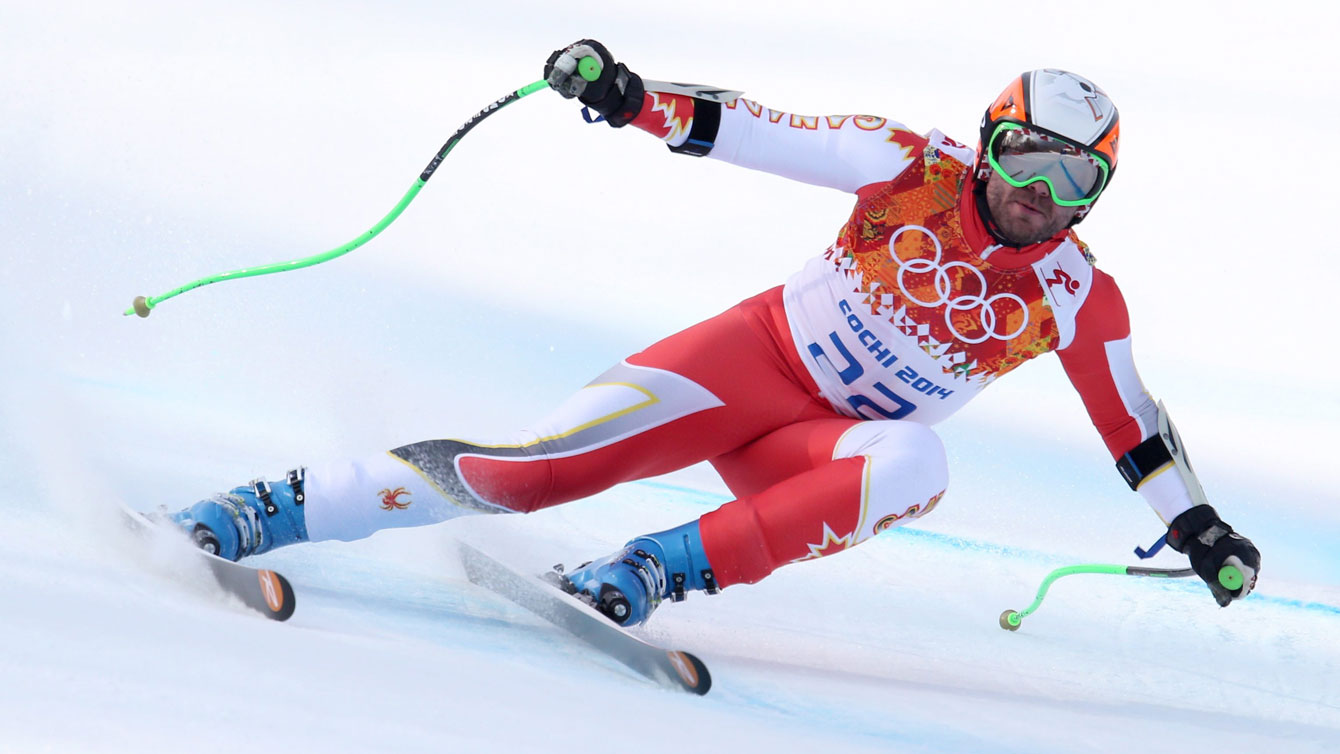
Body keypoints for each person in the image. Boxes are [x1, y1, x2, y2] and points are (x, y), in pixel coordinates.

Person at [167, 40, 1260, 627]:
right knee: (527, 474)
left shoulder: (1077, 293)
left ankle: (648, 570)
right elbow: (759, 131)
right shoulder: (906, 165)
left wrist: (1200, 530)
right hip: (745, 365)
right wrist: (631, 97)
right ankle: (270, 507)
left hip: (814, 455)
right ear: (987, 144)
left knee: (918, 461)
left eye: (1075, 177)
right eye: (1025, 155)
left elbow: (1135, 432)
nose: (1039, 192)